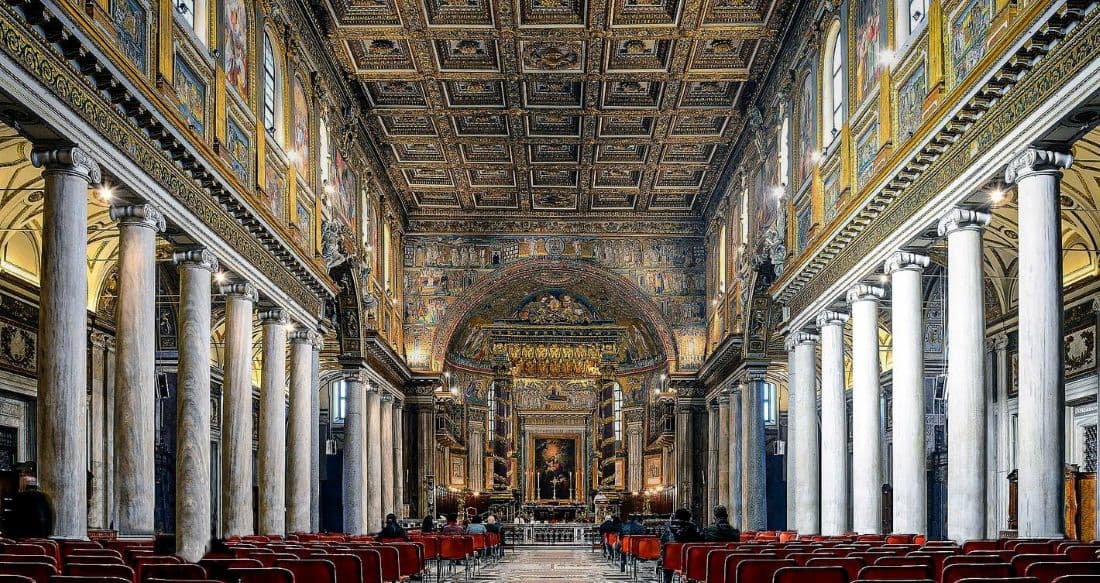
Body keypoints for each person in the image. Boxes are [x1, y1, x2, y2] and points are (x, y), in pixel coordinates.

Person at [659, 508, 701, 583]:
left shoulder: (669, 528)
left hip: (672, 561)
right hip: (691, 561)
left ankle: (667, 581)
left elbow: (662, 542)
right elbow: (699, 542)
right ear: (689, 518)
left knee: (666, 560)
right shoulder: (694, 528)